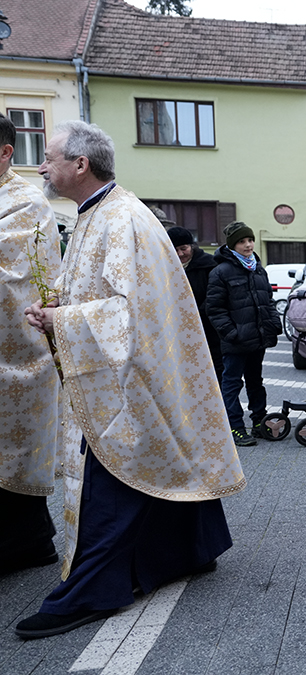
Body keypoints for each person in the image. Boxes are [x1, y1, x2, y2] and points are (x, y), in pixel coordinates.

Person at [19, 121, 244, 639]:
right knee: (165, 458)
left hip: (129, 379)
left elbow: (128, 311)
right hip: (125, 372)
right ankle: (192, 550)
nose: (42, 167)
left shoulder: (121, 218)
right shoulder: (97, 213)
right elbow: (94, 287)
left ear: (81, 164)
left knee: (114, 478)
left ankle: (92, 591)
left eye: (49, 158)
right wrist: (56, 303)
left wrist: (64, 321)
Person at [0, 113, 63, 575]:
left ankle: (30, 544)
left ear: (6, 154)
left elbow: (15, 278)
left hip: (16, 353)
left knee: (14, 456)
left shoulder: (24, 203)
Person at [207, 221, 283, 447]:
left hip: (257, 338)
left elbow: (267, 300)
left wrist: (273, 323)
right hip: (235, 341)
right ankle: (236, 427)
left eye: (250, 240)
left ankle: (259, 422)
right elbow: (214, 308)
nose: (248, 245)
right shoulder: (220, 271)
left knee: (255, 381)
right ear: (232, 245)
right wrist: (231, 333)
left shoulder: (258, 268)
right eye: (242, 241)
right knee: (231, 383)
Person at [168, 226, 222, 381]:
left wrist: (195, 315)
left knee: (214, 371)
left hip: (208, 329)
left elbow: (214, 297)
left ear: (192, 246)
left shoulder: (210, 265)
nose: (180, 254)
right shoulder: (166, 268)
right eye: (175, 249)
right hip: (180, 330)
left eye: (183, 249)